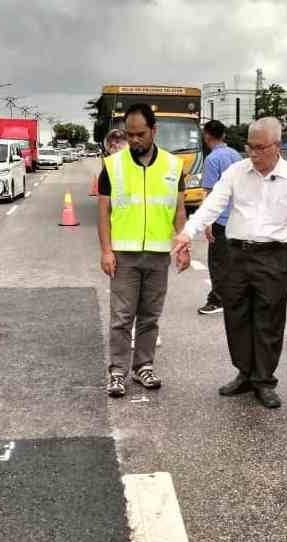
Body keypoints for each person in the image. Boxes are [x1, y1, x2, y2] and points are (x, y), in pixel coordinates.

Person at [173, 117, 287, 409]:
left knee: (269, 320)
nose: (254, 153)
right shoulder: (237, 172)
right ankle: (244, 373)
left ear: (278, 146)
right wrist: (187, 233)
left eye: (261, 147)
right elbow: (212, 204)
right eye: (250, 146)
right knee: (236, 316)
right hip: (236, 254)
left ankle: (264, 380)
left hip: (274, 256)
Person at [97, 103, 188, 398]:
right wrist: (106, 251)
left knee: (150, 316)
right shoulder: (112, 166)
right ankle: (118, 372)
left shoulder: (174, 167)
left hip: (159, 254)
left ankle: (143, 366)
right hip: (124, 254)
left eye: (140, 134)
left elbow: (178, 209)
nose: (134, 140)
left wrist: (183, 244)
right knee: (122, 317)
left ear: (154, 131)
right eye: (130, 134)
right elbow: (103, 212)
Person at [196, 120, 242, 316]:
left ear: (206, 136)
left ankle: (217, 299)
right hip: (238, 217)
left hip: (220, 218)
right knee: (235, 261)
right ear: (223, 135)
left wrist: (207, 222)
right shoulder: (236, 155)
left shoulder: (212, 159)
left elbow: (209, 192)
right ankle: (236, 297)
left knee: (217, 261)